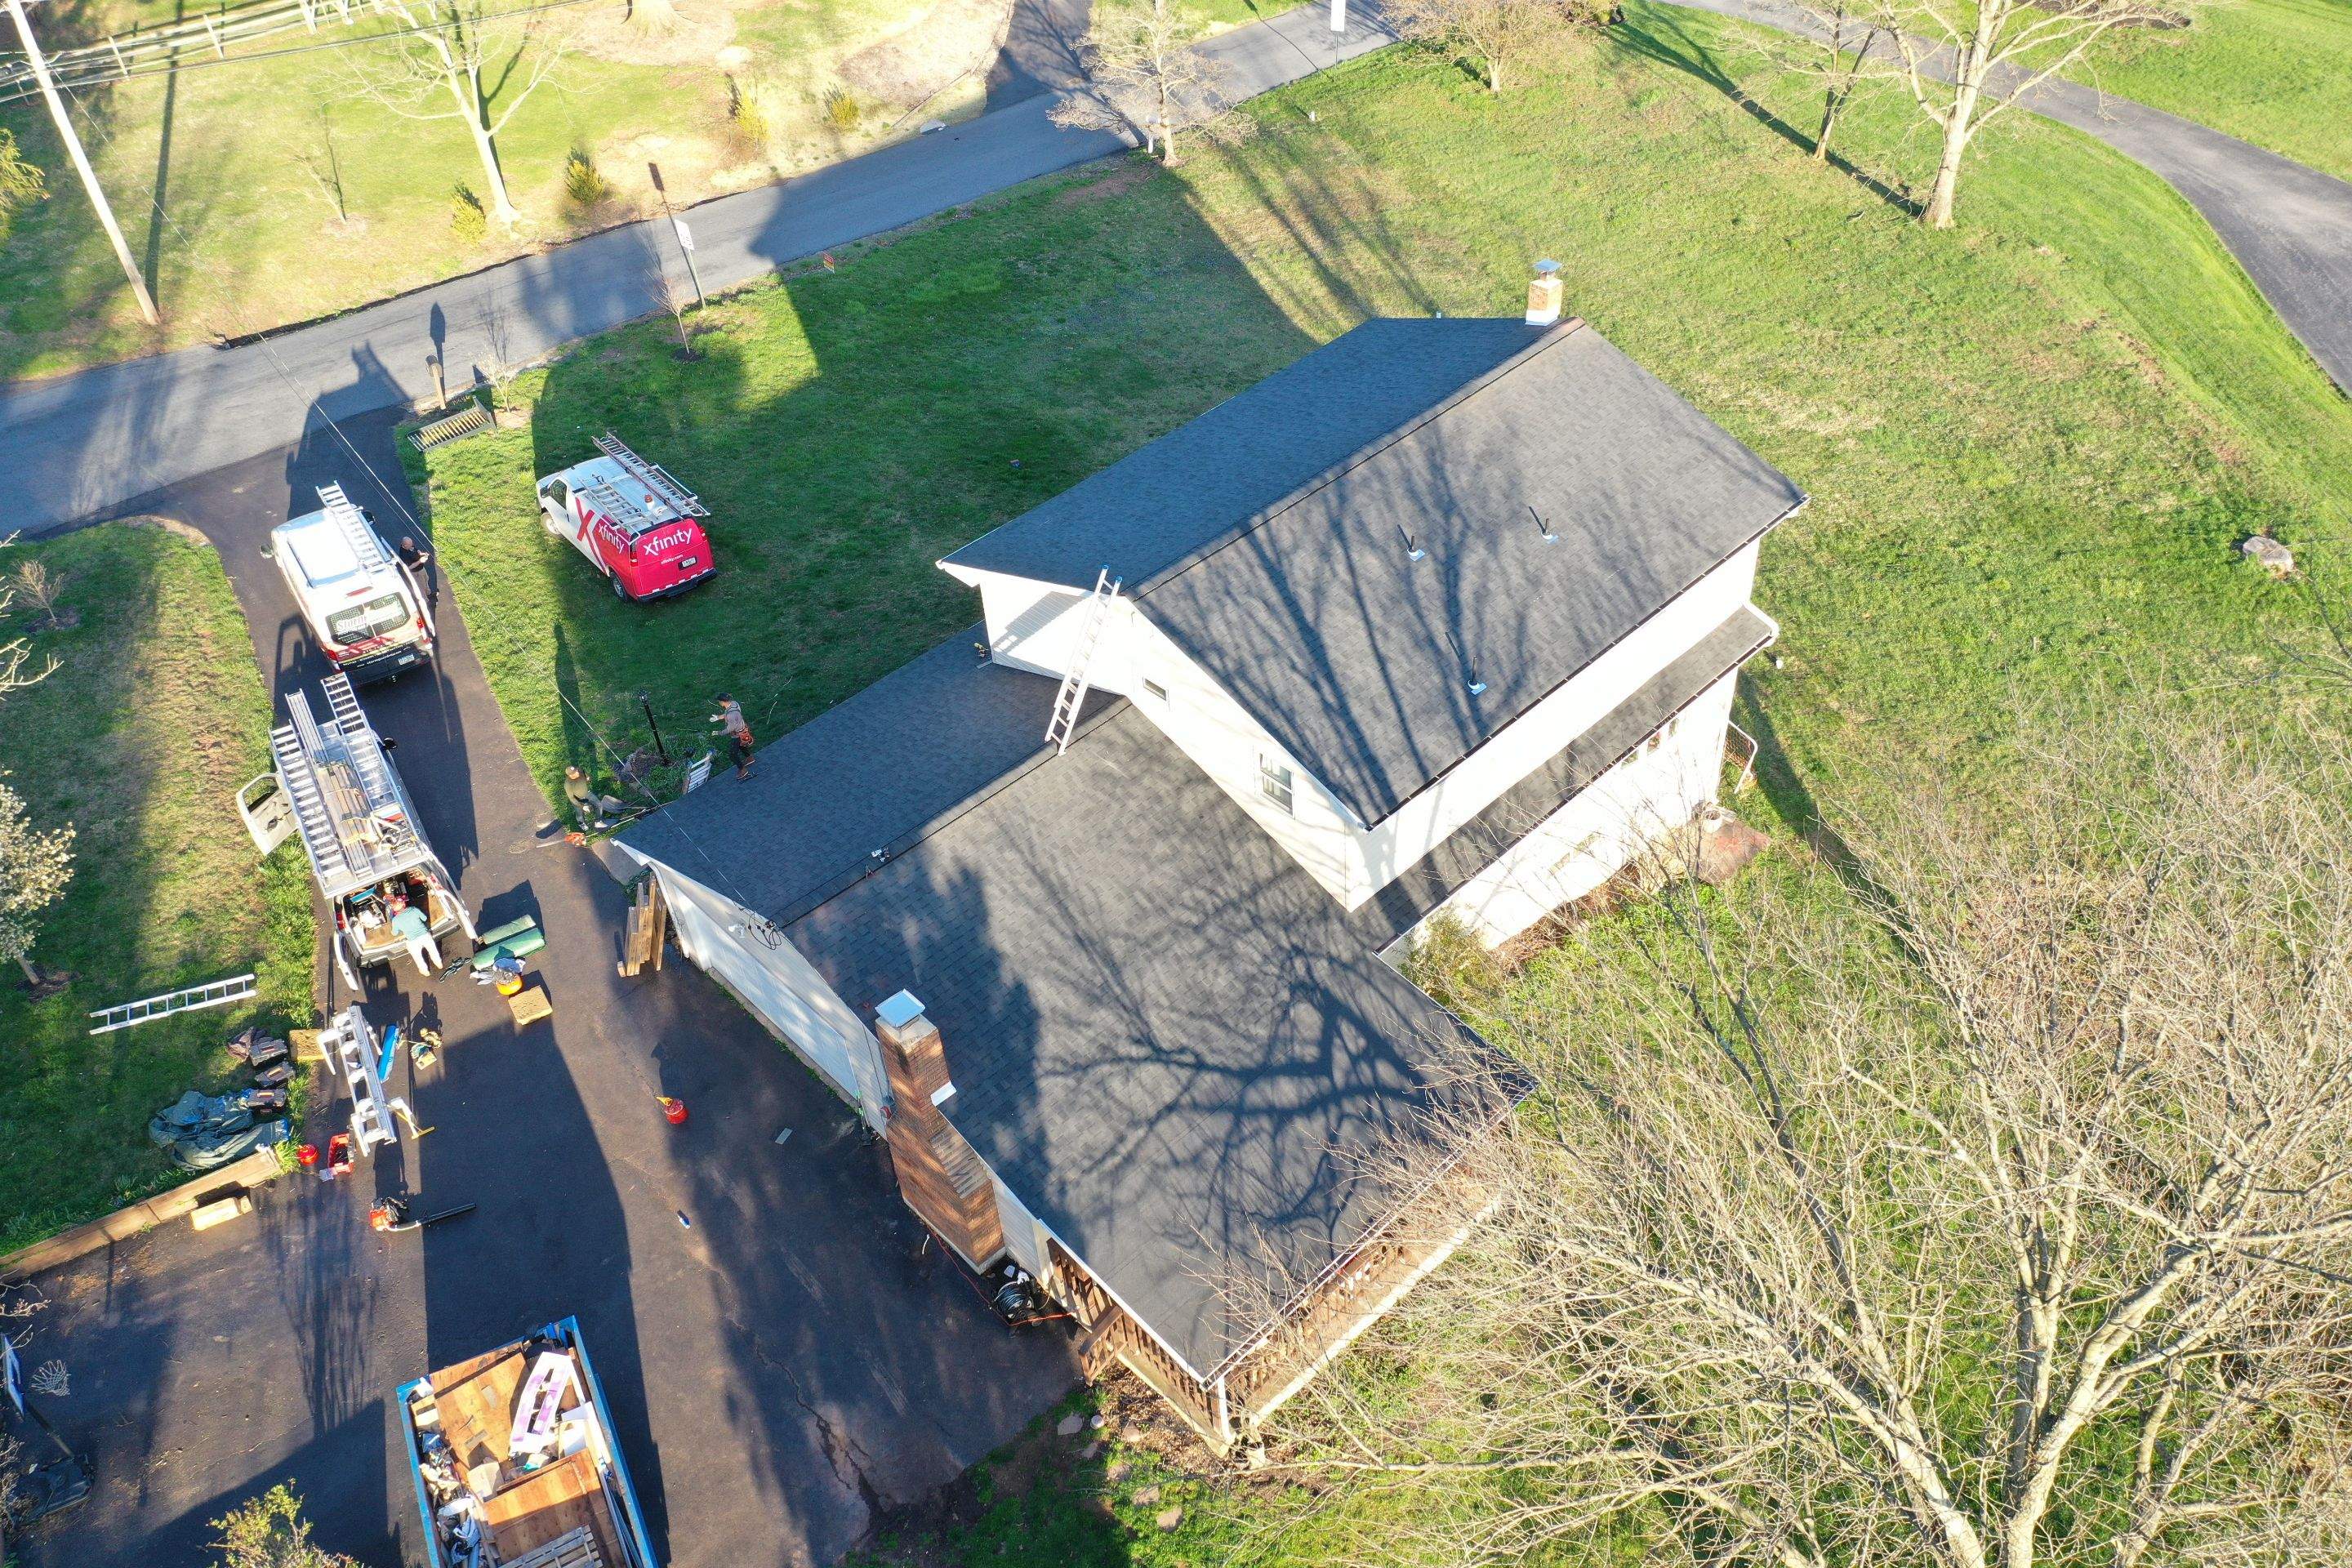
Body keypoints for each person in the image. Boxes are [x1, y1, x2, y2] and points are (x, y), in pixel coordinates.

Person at [389, 901, 443, 977]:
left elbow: (394, 933)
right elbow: (424, 918)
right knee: (433, 950)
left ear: (394, 910)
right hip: (425, 935)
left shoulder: (395, 920)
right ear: (404, 904)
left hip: (412, 941)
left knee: (417, 957)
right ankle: (439, 963)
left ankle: (425, 971)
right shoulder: (414, 909)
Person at [564, 764, 625, 830]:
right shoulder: (568, 785)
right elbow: (571, 798)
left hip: (587, 793)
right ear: (571, 775)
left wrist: (588, 778)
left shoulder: (580, 771)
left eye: (576, 770)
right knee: (579, 812)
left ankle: (598, 821)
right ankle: (581, 823)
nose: (577, 772)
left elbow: (587, 776)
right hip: (577, 799)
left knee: (599, 805)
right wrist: (582, 807)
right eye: (575, 772)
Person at [710, 693, 755, 780]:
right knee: (742, 745)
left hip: (737, 735)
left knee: (732, 754)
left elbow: (729, 729)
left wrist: (718, 733)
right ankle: (750, 758)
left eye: (719, 701)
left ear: (722, 702)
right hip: (743, 731)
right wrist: (718, 717)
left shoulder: (731, 715)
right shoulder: (734, 703)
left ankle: (743, 770)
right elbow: (728, 713)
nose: (719, 703)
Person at [396, 535, 437, 605]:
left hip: (421, 568)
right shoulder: (404, 554)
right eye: (410, 544)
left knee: (426, 579)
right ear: (405, 545)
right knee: (421, 586)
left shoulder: (409, 546)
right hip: (416, 573)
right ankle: (426, 601)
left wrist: (422, 554)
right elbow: (409, 567)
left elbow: (416, 551)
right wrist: (420, 561)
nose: (412, 545)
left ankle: (429, 593)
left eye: (412, 543)